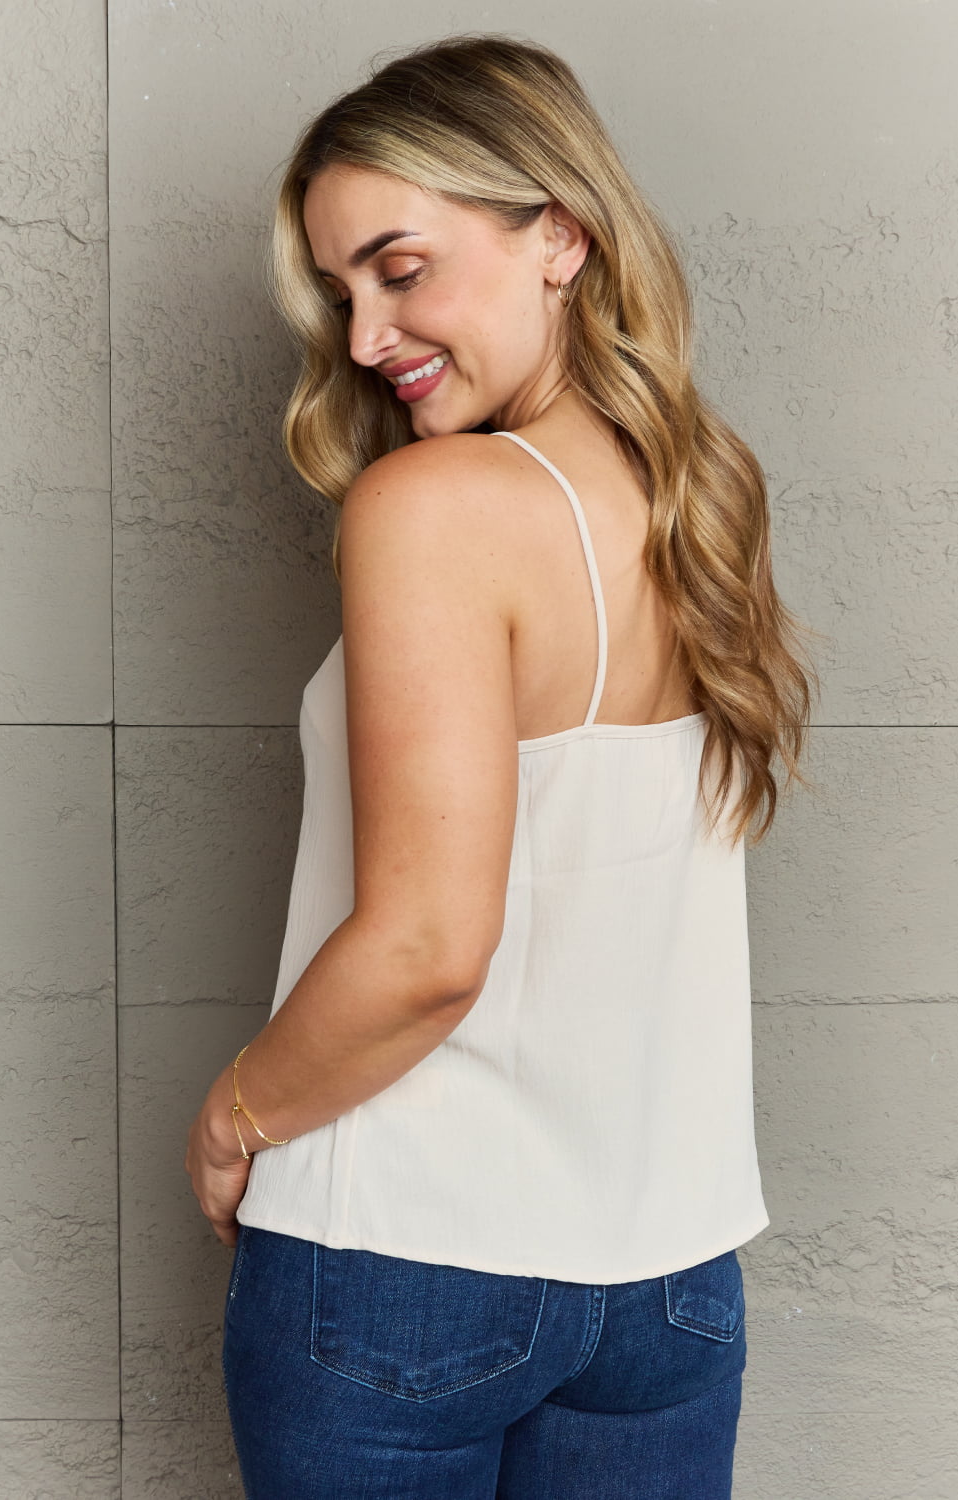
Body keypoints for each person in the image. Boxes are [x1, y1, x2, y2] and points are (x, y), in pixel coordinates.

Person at [185, 34, 812, 1499]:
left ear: (561, 236)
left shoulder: (432, 505)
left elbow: (428, 945)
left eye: (399, 269)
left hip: (408, 1261)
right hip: (668, 1283)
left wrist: (237, 1118)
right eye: (342, 292)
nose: (360, 337)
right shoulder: (696, 499)